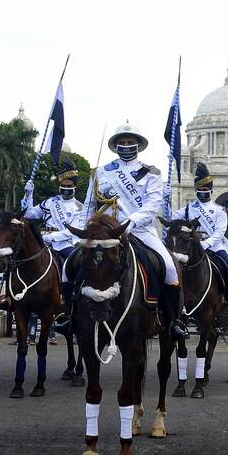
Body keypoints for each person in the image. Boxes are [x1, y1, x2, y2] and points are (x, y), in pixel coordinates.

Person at [70, 123, 188, 342]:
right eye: (121, 142)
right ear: (115, 146)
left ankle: (173, 321)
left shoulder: (151, 172)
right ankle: (69, 317)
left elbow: (153, 205)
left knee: (170, 268)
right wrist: (83, 231)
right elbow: (88, 205)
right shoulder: (101, 171)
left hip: (140, 229)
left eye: (130, 142)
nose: (126, 146)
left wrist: (131, 222)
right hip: (104, 233)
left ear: (138, 145)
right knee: (71, 264)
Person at [12, 157, 83, 344]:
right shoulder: (50, 202)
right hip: (43, 242)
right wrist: (29, 194)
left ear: (74, 187)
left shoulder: (80, 208)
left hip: (64, 243)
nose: (66, 188)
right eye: (63, 185)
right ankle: (9, 295)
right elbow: (28, 214)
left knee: (75, 265)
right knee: (17, 258)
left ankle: (70, 301)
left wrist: (49, 237)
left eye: (69, 186)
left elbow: (70, 231)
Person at [174, 162, 228, 313]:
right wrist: (165, 202)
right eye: (199, 189)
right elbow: (171, 217)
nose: (202, 192)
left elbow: (219, 232)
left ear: (210, 190)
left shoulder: (219, 210)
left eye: (205, 189)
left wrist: (206, 244)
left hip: (215, 245)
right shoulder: (187, 208)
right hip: (191, 246)